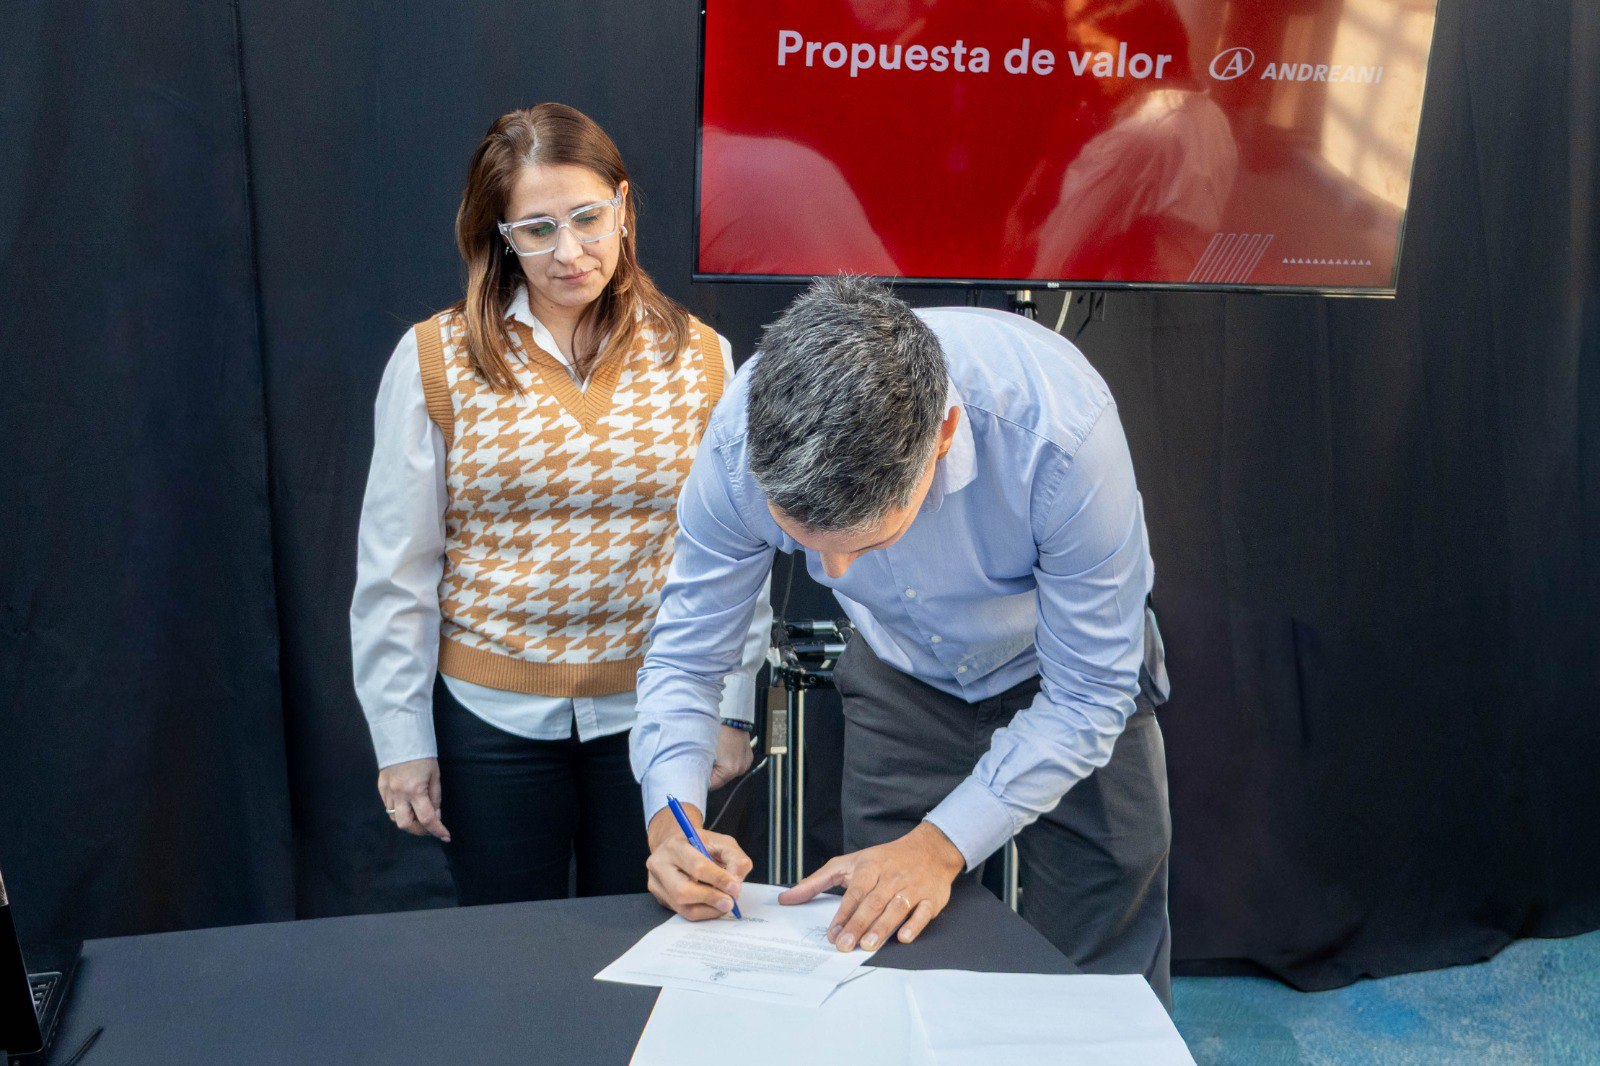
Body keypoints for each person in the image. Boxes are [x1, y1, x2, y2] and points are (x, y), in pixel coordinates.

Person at [631, 276, 1173, 1004]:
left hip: (1063, 675)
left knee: (1106, 952)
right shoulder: (738, 443)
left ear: (941, 438)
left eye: (866, 543)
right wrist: (672, 824)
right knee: (885, 950)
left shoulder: (1062, 430)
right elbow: (686, 659)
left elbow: (1090, 692)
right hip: (900, 676)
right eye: (805, 545)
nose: (834, 574)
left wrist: (939, 846)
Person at [351, 103, 770, 906]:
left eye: (587, 218)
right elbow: (396, 569)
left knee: (654, 933)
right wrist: (401, 739)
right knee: (509, 948)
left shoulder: (702, 359)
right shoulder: (437, 358)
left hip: (658, 716)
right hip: (489, 720)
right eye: (537, 229)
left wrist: (732, 709)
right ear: (500, 237)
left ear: (623, 205)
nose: (569, 251)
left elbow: (736, 552)